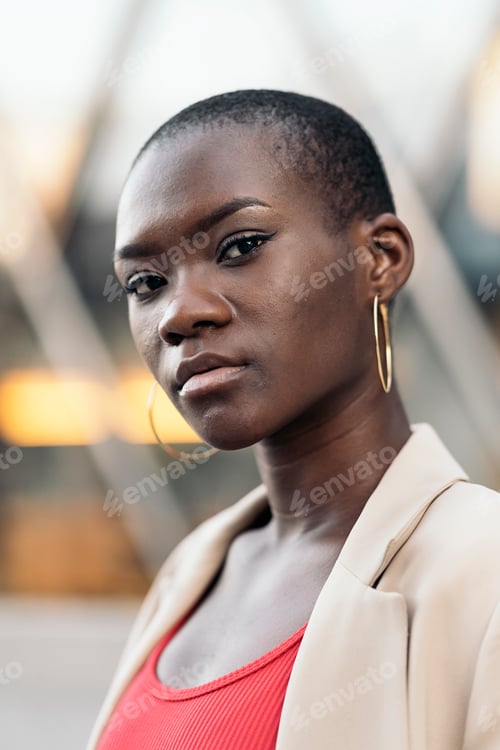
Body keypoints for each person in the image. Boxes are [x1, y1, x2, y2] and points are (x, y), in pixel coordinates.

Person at [87, 90, 500, 750]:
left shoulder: (485, 573)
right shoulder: (193, 573)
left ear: (381, 259)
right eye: (144, 284)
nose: (178, 314)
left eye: (240, 245)